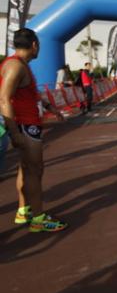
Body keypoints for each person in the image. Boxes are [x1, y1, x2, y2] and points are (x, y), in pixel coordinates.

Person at [0, 28, 67, 232]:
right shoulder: (15, 66)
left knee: (26, 168)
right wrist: (15, 133)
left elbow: (30, 95)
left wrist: (50, 107)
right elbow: (3, 99)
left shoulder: (21, 66)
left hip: (27, 124)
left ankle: (23, 210)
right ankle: (38, 218)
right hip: (25, 126)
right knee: (35, 171)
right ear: (35, 45)